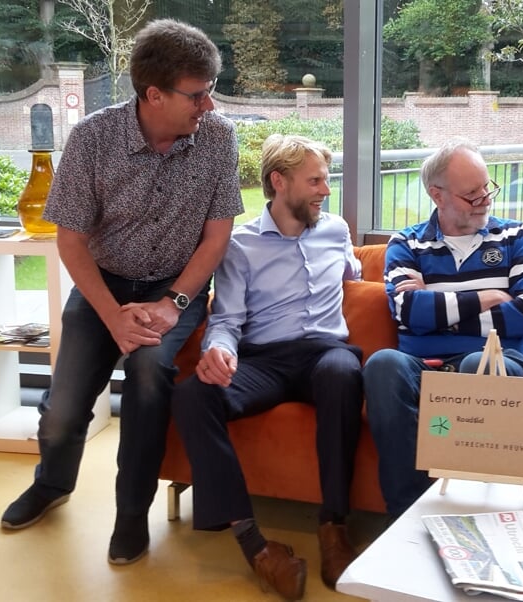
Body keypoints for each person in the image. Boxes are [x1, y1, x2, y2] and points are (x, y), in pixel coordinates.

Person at [0, 19, 243, 566]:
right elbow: (71, 239)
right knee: (63, 407)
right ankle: (51, 484)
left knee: (149, 377)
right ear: (153, 94)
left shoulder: (219, 138)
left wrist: (171, 303)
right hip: (103, 285)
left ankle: (131, 515)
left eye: (209, 92)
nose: (207, 104)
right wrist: (111, 316)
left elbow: (216, 235)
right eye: (197, 94)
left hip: (172, 289)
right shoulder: (93, 137)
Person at [171, 134, 363, 601]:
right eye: (315, 180)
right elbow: (228, 318)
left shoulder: (336, 230)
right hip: (265, 360)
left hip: (324, 353)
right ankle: (255, 547)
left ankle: (333, 525)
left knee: (343, 373)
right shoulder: (240, 245)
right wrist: (217, 350)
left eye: (327, 179)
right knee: (193, 394)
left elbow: (354, 272)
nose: (326, 189)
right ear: (279, 182)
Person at [362, 137, 523, 518]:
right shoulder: (407, 242)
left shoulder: (515, 237)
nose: (485, 200)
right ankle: (407, 515)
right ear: (438, 195)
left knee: (473, 365)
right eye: (471, 195)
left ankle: (476, 516)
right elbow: (406, 311)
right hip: (424, 367)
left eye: (486, 188)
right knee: (383, 365)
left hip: (505, 359)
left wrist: (436, 302)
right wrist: (488, 297)